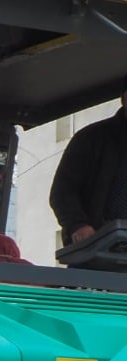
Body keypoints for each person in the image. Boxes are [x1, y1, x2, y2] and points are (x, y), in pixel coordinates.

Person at [50, 80, 127, 247]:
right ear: (123, 98)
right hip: (98, 244)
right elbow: (63, 191)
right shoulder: (91, 139)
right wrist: (78, 225)